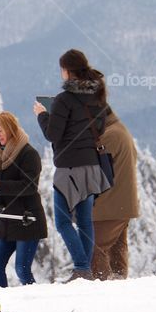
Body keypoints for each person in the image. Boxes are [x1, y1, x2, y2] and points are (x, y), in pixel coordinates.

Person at [34, 49, 111, 282]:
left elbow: (52, 135)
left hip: (69, 169)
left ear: (66, 71)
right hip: (91, 165)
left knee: (63, 221)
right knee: (85, 221)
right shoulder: (98, 96)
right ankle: (85, 271)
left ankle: (81, 268)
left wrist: (42, 115)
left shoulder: (64, 100)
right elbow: (100, 130)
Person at [0, 111, 48, 287]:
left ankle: (35, 301)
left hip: (27, 218)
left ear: (11, 129)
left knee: (22, 269)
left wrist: (0, 184)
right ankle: (0, 304)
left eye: (0, 130)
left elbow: (29, 186)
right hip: (8, 218)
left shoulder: (28, 153)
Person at [91, 111, 140, 280]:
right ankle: (118, 286)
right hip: (121, 204)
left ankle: (101, 287)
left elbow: (94, 169)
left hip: (110, 206)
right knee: (116, 252)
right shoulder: (119, 130)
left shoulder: (109, 136)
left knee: (93, 248)